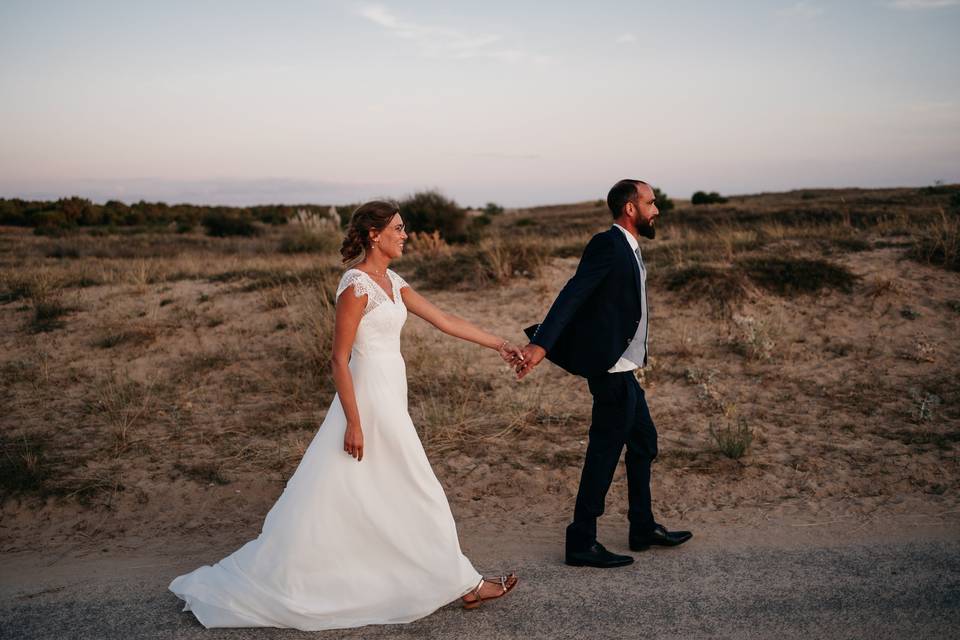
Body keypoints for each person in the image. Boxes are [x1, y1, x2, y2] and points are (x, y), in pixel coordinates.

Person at [169, 201, 520, 630]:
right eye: (398, 228)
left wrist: (501, 345)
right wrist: (353, 422)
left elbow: (444, 319)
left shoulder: (392, 281)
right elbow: (338, 360)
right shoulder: (356, 285)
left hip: (392, 395)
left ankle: (449, 580)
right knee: (418, 486)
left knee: (385, 490)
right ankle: (465, 584)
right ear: (375, 234)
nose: (405, 235)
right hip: (368, 400)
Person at [516, 179, 692, 568]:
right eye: (651, 202)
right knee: (603, 454)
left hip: (624, 370)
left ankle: (642, 527)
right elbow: (573, 293)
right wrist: (541, 345)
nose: (657, 209)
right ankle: (581, 540)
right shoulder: (608, 244)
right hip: (610, 370)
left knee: (644, 442)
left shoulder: (629, 247)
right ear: (631, 209)